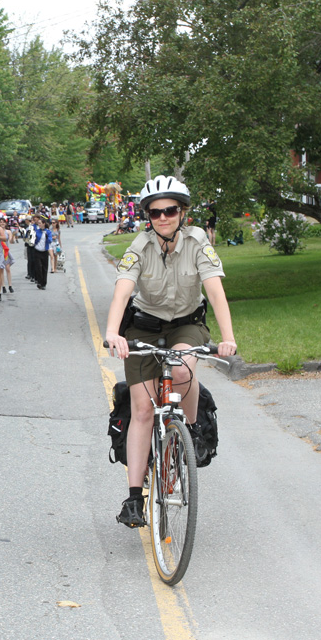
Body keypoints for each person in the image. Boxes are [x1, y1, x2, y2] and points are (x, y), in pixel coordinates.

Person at [103, 176, 237, 528]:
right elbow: (122, 292)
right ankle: (134, 498)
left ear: (183, 212)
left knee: (181, 369)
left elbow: (216, 291)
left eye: (171, 210)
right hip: (143, 326)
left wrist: (228, 337)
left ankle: (190, 431)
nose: (163, 217)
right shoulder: (140, 246)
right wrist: (112, 334)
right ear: (148, 216)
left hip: (185, 323)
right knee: (143, 409)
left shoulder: (197, 243)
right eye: (156, 212)